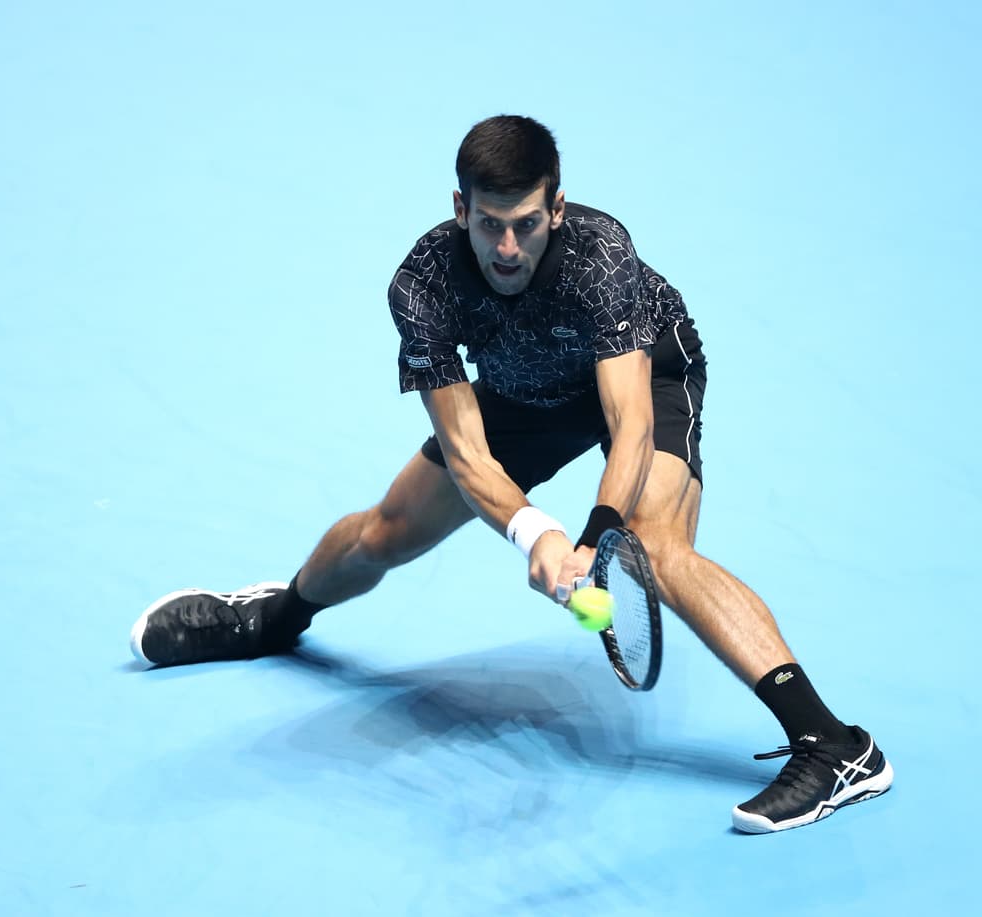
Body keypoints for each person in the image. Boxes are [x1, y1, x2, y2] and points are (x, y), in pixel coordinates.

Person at [128, 115, 893, 833]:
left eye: (525, 223)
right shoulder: (421, 285)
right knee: (389, 529)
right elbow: (466, 452)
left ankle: (835, 745)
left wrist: (597, 535)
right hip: (526, 390)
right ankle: (273, 618)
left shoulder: (601, 255)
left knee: (656, 550)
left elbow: (628, 424)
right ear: (459, 207)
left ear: (556, 208)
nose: (505, 246)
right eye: (489, 223)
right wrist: (537, 531)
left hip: (644, 377)